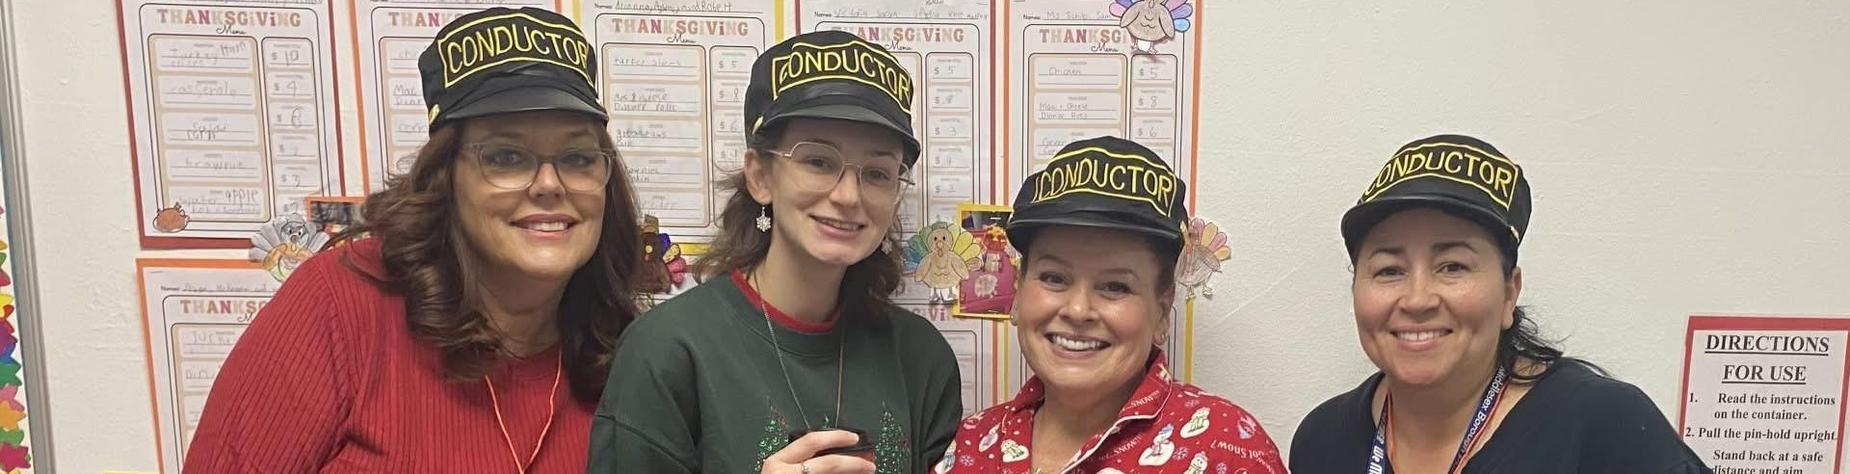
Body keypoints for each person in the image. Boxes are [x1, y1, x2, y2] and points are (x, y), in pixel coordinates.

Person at [184, 7, 650, 472]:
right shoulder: (339, 306)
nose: (549, 184)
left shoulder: (633, 351)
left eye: (577, 158)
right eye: (507, 156)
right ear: (446, 177)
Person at [587, 30, 962, 474]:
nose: (848, 195)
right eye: (818, 161)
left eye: (877, 173)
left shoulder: (920, 359)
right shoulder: (667, 351)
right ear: (761, 176)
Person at [1290, 135, 1712, 473]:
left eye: (1452, 266)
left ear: (1510, 291)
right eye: (1388, 270)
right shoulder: (1323, 441)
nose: (1417, 298)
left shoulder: (1604, 429)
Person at [937, 137, 1286, 473]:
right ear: (1017, 292)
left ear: (1162, 313)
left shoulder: (1226, 449)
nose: (1077, 310)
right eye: (1054, 278)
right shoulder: (972, 442)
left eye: (1115, 286)